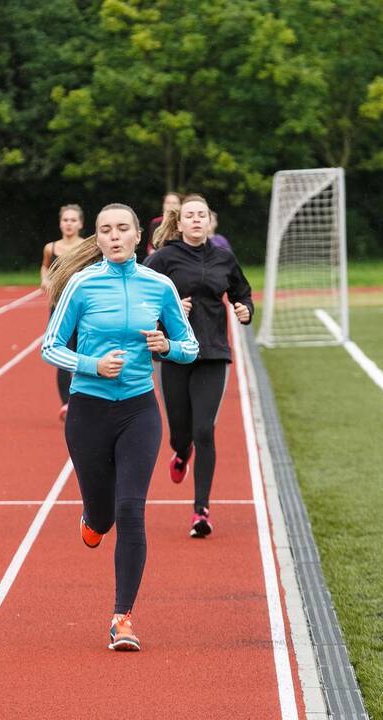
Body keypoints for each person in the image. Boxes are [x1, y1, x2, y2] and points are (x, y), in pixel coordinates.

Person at [41, 203, 199, 651]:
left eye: (122, 229)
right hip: (88, 409)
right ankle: (93, 516)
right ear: (99, 238)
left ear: (136, 237)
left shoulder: (159, 285)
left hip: (139, 410)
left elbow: (189, 346)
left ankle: (122, 618)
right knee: (105, 515)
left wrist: (167, 344)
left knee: (131, 510)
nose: (114, 236)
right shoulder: (81, 284)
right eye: (106, 230)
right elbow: (50, 346)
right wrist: (91, 364)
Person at [144, 194, 253, 537]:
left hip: (213, 352)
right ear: (179, 223)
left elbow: (242, 292)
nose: (195, 220)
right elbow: (141, 296)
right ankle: (180, 451)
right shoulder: (164, 258)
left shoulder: (224, 258)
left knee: (205, 430)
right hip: (174, 352)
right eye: (189, 215)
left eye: (201, 215)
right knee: (180, 431)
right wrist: (171, 306)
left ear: (209, 221)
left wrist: (245, 309)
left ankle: (200, 511)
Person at [40, 204, 85, 420]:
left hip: (83, 307)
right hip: (59, 307)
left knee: (83, 352)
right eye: (66, 220)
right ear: (60, 223)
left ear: (80, 224)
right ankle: (66, 404)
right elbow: (45, 267)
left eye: (73, 220)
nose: (69, 224)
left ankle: (85, 398)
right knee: (61, 352)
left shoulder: (87, 247)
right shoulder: (51, 247)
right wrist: (45, 279)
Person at [143, 191, 182, 261]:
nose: (171, 205)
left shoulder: (183, 223)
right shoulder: (155, 222)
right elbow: (150, 243)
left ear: (180, 205)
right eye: (168, 203)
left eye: (174, 203)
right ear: (163, 205)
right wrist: (151, 252)